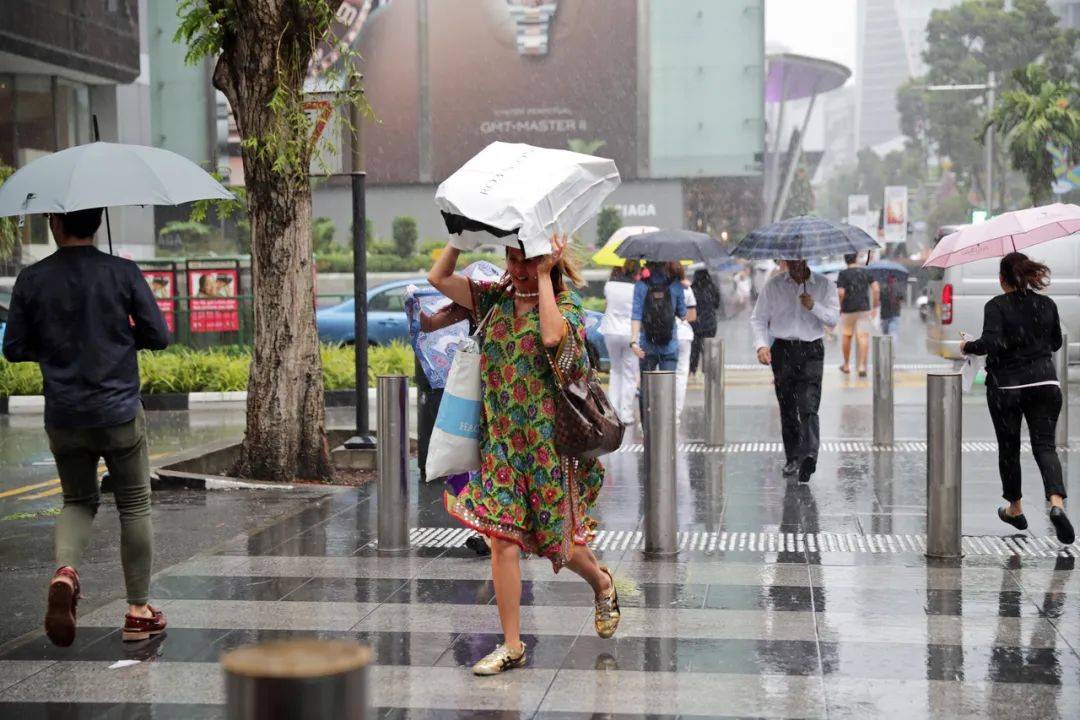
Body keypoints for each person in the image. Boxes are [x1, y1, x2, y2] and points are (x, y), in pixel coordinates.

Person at [428, 234, 619, 676]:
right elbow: (437, 277)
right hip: (500, 447)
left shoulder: (566, 310)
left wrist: (547, 275)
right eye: (510, 259)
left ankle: (602, 582)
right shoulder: (493, 300)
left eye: (524, 261)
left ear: (544, 263)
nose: (515, 268)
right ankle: (512, 645)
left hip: (547, 451)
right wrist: (458, 239)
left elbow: (553, 337)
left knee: (557, 544)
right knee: (503, 541)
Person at [2, 208, 171, 647]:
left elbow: (14, 347)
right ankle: (138, 612)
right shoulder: (122, 272)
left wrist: (59, 344)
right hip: (118, 412)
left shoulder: (32, 279)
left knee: (77, 501)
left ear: (57, 224)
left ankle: (65, 572)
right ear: (97, 223)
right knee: (134, 506)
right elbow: (159, 335)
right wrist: (117, 335)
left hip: (65, 414)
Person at [961, 252, 1074, 545]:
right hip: (1046, 383)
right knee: (1045, 446)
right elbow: (1056, 342)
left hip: (1007, 388)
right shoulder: (1047, 304)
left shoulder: (996, 306)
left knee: (1009, 448)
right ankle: (1056, 503)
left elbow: (991, 343)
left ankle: (1015, 508)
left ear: (1002, 279)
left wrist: (967, 345)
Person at [750, 258, 840, 484]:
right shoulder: (774, 286)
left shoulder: (824, 284)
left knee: (809, 404)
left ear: (806, 259)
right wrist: (761, 345)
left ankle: (809, 454)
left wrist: (813, 306)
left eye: (798, 260)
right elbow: (758, 318)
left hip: (812, 349)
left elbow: (833, 320)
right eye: (790, 260)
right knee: (787, 407)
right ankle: (792, 457)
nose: (795, 264)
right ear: (784, 261)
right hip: (783, 349)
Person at [598, 259, 640, 424]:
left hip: (611, 331)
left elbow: (607, 305)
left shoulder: (609, 285)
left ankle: (613, 410)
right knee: (629, 373)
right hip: (629, 332)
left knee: (615, 371)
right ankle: (626, 413)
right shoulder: (635, 287)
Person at [630, 261, 687, 372]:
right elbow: (683, 315)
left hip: (646, 346)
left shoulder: (640, 285)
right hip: (670, 345)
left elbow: (636, 315)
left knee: (646, 387)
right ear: (667, 264)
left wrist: (633, 342)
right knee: (667, 387)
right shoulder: (676, 284)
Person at [836, 253, 879, 376]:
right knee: (863, 337)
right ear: (856, 258)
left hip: (848, 309)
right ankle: (861, 367)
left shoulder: (843, 274)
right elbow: (876, 288)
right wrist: (875, 305)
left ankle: (846, 365)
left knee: (847, 336)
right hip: (863, 309)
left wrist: (839, 306)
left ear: (845, 260)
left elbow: (841, 293)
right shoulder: (865, 272)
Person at [669, 263, 697, 420]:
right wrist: (682, 315)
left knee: (666, 373)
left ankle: (662, 409)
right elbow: (692, 316)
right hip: (684, 334)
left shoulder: (662, 287)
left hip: (666, 334)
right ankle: (676, 413)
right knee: (681, 374)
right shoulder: (687, 289)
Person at [689, 268, 721, 375]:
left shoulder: (692, 289)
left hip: (695, 324)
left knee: (694, 349)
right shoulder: (713, 288)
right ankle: (707, 371)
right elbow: (717, 305)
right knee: (708, 349)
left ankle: (692, 370)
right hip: (710, 324)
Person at [879, 274, 903, 340]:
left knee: (886, 334)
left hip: (885, 314)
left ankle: (887, 348)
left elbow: (880, 299)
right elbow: (901, 299)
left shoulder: (883, 288)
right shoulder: (897, 288)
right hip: (893, 313)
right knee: (893, 332)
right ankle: (892, 348)